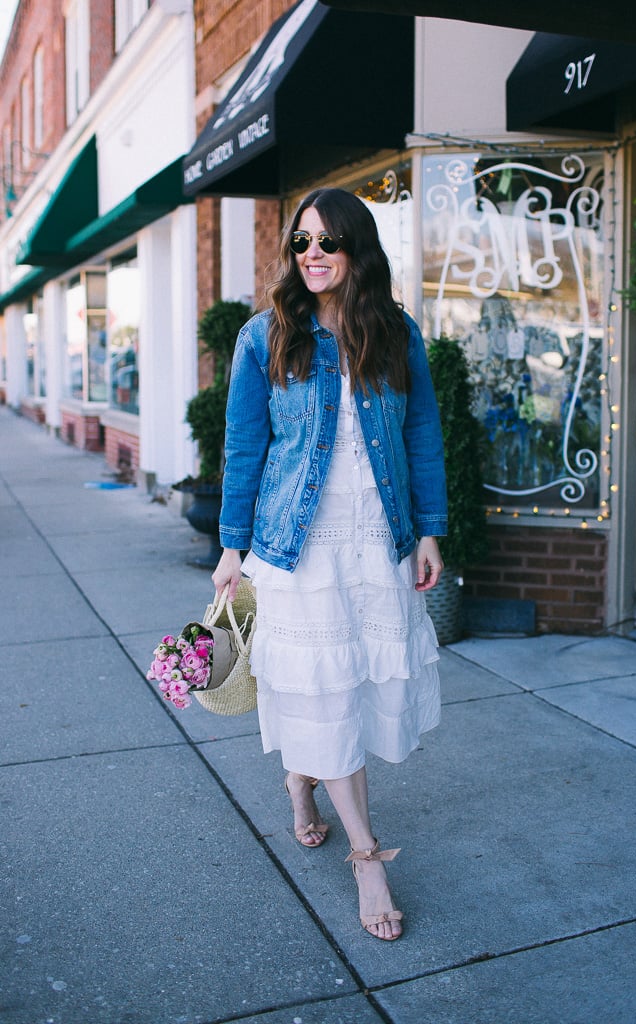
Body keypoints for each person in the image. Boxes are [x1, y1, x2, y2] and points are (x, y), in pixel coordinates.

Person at [212, 187, 447, 941]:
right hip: (297, 546)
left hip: (376, 539)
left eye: (327, 243)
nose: (311, 256)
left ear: (356, 251)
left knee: (347, 690)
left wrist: (431, 533)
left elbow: (421, 436)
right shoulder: (265, 336)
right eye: (301, 243)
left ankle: (299, 783)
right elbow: (245, 447)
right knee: (327, 688)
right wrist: (229, 546)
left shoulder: (394, 333)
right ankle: (367, 857)